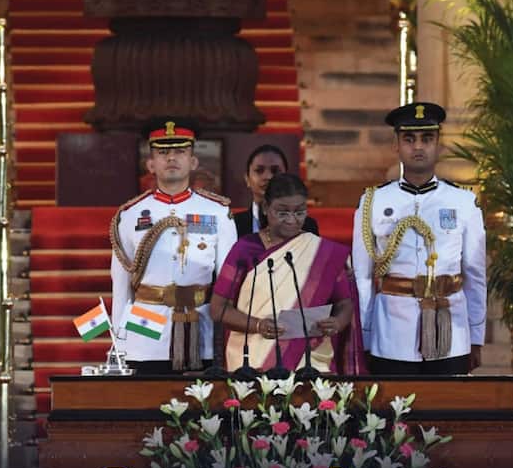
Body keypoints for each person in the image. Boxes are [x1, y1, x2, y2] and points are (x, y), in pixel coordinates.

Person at [351, 102, 486, 375]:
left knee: (446, 412)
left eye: (427, 138)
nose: (418, 147)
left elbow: (475, 274)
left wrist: (475, 336)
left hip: (450, 330)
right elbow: (362, 277)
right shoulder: (373, 202)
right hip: (392, 333)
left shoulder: (462, 201)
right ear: (396, 146)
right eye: (409, 139)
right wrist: (365, 335)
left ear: (439, 145)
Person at [110, 119, 238, 373]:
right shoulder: (130, 215)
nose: (171, 158)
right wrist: (120, 341)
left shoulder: (217, 212)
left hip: (199, 326)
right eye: (163, 152)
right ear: (150, 164)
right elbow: (121, 283)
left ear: (193, 162)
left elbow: (228, 281)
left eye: (180, 151)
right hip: (144, 329)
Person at [210, 173, 364, 374]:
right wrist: (258, 325)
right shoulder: (245, 250)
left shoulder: (322, 253)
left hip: (310, 361)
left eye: (300, 212)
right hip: (252, 361)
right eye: (282, 213)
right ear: (266, 208)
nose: (292, 220)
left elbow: (345, 304)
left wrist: (336, 322)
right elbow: (218, 308)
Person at [234, 144, 319, 238]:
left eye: (275, 171)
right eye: (259, 170)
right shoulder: (233, 224)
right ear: (247, 179)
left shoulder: (306, 225)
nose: (268, 177)